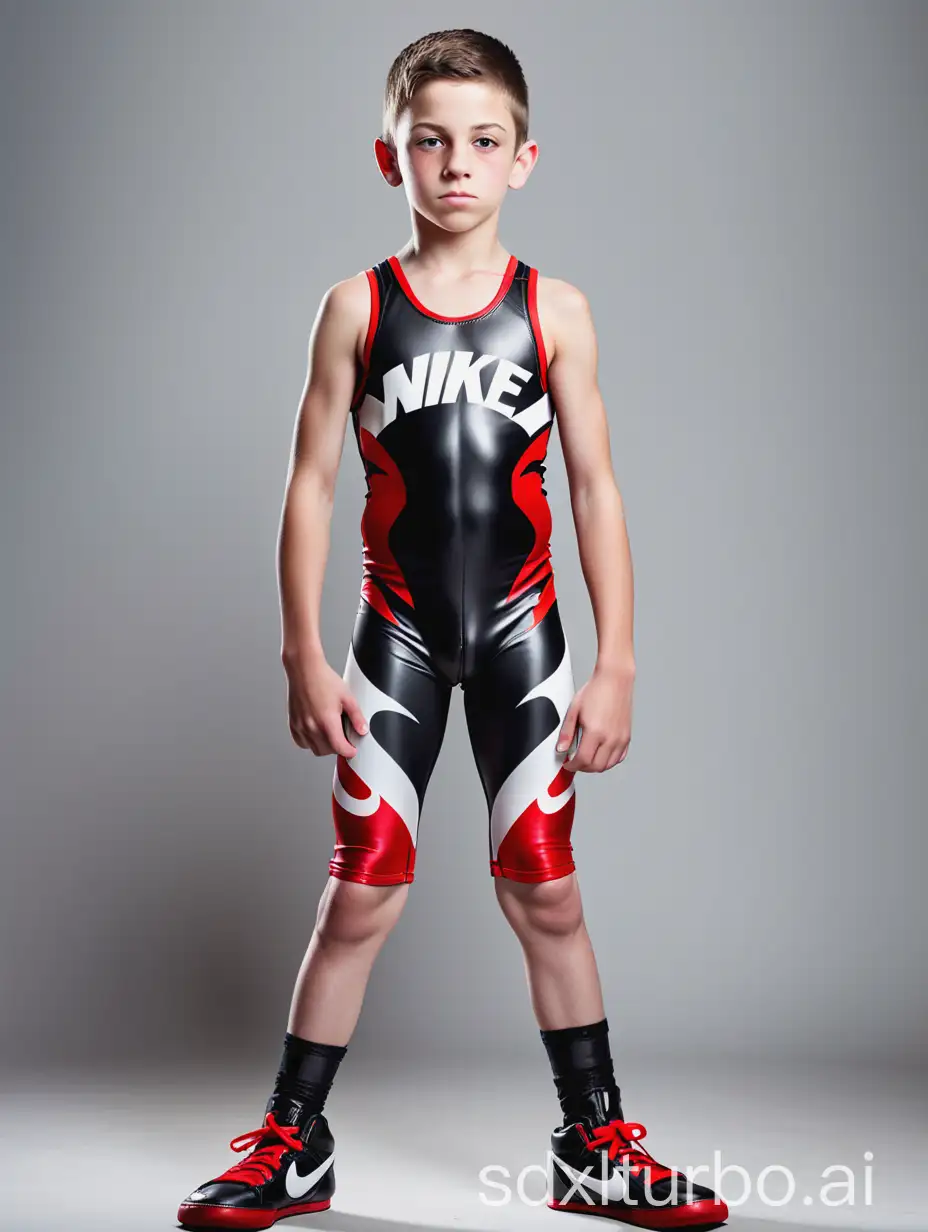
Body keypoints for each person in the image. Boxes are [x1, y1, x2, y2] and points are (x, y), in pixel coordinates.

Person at [177, 27, 728, 1232]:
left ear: (524, 158)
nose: (457, 163)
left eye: (482, 142)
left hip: (527, 630)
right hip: (399, 636)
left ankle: (592, 1143)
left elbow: (595, 487)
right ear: (392, 158)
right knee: (361, 888)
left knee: (547, 889)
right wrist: (300, 650)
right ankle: (292, 1141)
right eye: (431, 141)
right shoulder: (355, 306)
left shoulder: (557, 309)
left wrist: (620, 659)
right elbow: (311, 485)